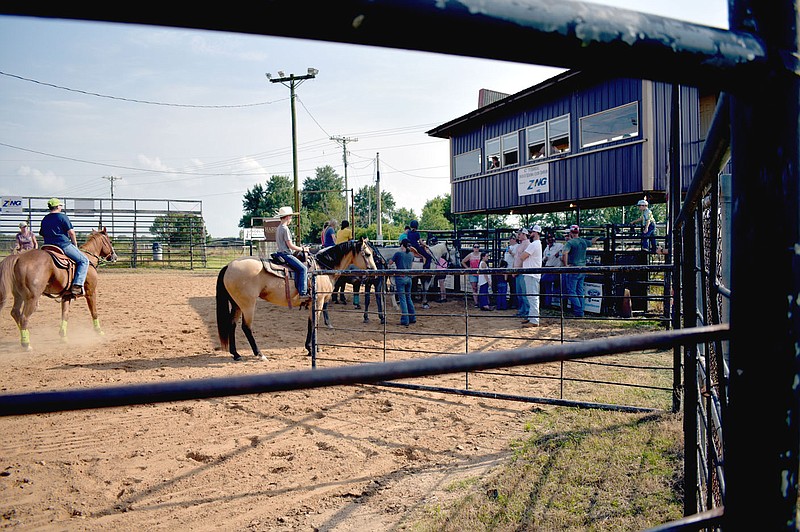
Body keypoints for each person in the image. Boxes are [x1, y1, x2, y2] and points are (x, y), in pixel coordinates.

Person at [39, 198, 88, 296]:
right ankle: (77, 285)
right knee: (83, 261)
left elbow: (42, 233)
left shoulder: (45, 218)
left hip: (47, 246)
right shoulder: (62, 217)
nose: (61, 207)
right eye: (60, 205)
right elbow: (71, 233)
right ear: (57, 206)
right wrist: (75, 245)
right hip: (63, 245)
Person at [561, 224, 600, 317]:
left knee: (571, 291)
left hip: (573, 268)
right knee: (580, 290)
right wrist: (598, 237)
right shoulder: (583, 241)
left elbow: (564, 253)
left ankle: (578, 309)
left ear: (570, 233)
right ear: (578, 232)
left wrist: (566, 265)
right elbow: (592, 242)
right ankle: (581, 311)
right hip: (583, 268)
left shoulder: (570, 243)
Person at [274, 206, 310, 301]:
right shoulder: (285, 229)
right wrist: (303, 249)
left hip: (279, 253)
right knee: (303, 268)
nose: (291, 219)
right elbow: (290, 245)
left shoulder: (279, 228)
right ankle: (303, 292)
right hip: (286, 254)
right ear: (287, 217)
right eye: (290, 217)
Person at [389, 239, 416, 326]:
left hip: (400, 278)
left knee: (402, 299)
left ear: (402, 245)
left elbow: (390, 263)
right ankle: (412, 317)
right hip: (409, 278)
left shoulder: (398, 254)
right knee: (408, 298)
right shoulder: (411, 255)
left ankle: (405, 319)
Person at [520, 225, 543, 327]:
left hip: (531, 273)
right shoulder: (536, 244)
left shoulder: (534, 244)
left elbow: (523, 256)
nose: (530, 233)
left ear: (536, 233)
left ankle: (534, 320)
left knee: (533, 297)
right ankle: (532, 317)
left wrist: (522, 254)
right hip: (531, 273)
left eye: (532, 232)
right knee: (531, 296)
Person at [541, 232, 564, 307]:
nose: (550, 239)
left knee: (548, 282)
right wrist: (545, 259)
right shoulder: (547, 248)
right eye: (548, 238)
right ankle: (547, 303)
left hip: (556, 268)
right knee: (546, 284)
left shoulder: (559, 246)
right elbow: (543, 259)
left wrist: (559, 253)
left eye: (551, 238)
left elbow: (563, 252)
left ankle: (560, 304)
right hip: (548, 267)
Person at [512, 229, 530, 318]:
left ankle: (526, 311)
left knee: (524, 293)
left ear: (524, 234)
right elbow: (516, 258)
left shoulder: (527, 244)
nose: (518, 235)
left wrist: (517, 270)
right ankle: (522, 310)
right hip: (518, 271)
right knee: (520, 293)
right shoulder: (521, 245)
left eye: (519, 234)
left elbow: (522, 259)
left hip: (522, 271)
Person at [503, 235, 518, 309]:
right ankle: (510, 302)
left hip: (512, 269)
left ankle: (514, 303)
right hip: (507, 269)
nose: (510, 240)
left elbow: (517, 257)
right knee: (508, 287)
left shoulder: (517, 247)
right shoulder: (508, 247)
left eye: (511, 238)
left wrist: (511, 252)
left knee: (513, 287)